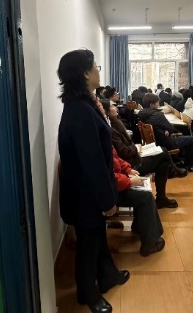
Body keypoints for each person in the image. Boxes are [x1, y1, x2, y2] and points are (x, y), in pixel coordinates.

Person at [57, 49, 129, 313]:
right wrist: (107, 200)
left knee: (97, 236)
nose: (99, 70)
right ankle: (87, 294)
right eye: (96, 66)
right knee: (88, 244)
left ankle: (107, 275)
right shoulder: (80, 111)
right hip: (85, 194)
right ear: (85, 73)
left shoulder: (85, 104)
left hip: (87, 191)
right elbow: (93, 162)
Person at [101, 100, 186, 205]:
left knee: (163, 163)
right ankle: (174, 170)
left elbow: (128, 147)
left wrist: (133, 146)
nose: (116, 108)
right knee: (163, 152)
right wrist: (134, 147)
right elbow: (125, 152)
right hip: (131, 165)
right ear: (106, 111)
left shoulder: (115, 124)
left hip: (132, 160)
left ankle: (162, 197)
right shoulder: (111, 130)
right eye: (112, 106)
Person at [112, 148, 166, 256]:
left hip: (112, 187)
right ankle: (150, 243)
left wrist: (128, 169)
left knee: (163, 162)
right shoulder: (97, 144)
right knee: (146, 197)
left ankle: (139, 227)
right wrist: (129, 181)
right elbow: (107, 176)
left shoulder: (100, 141)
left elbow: (115, 158)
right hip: (107, 192)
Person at [138, 93, 193, 172]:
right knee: (191, 139)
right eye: (157, 102)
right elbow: (171, 128)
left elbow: (159, 126)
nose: (158, 104)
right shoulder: (158, 115)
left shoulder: (141, 113)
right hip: (165, 143)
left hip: (154, 141)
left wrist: (165, 130)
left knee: (178, 135)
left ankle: (177, 159)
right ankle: (189, 165)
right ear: (151, 104)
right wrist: (169, 131)